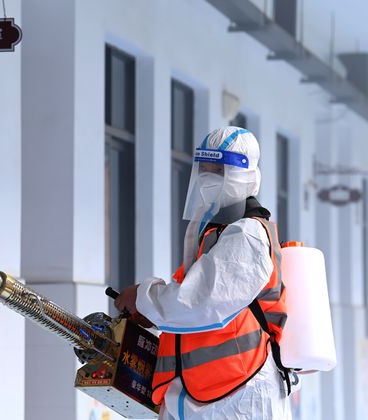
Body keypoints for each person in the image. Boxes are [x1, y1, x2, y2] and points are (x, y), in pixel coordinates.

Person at [115, 126, 294, 419]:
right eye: (206, 168)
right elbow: (193, 304)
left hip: (241, 396)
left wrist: (143, 298)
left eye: (219, 169)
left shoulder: (248, 235)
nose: (210, 178)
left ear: (245, 174)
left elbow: (201, 302)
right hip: (203, 394)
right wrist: (157, 315)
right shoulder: (215, 234)